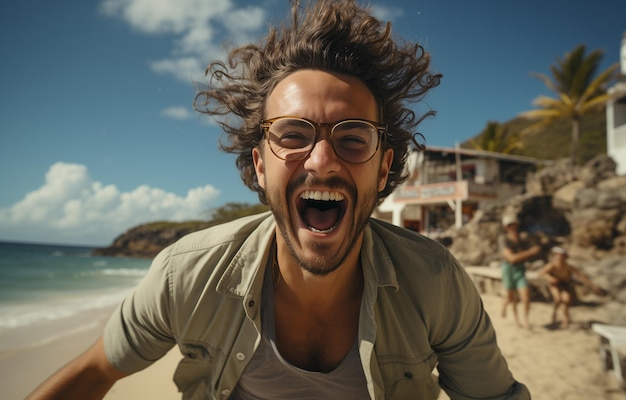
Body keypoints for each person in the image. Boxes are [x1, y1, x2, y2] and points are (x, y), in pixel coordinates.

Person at [28, 1, 530, 399]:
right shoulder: (187, 276)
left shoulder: (436, 284)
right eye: (292, 135)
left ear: (383, 168)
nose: (321, 161)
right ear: (261, 163)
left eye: (353, 137)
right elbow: (94, 372)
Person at [539, 246, 606, 329]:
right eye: (557, 256)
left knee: (566, 300)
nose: (559, 258)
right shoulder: (552, 265)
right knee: (558, 298)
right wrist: (550, 278)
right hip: (555, 285)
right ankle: (555, 313)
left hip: (564, 285)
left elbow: (581, 276)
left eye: (561, 256)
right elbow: (542, 273)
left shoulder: (568, 267)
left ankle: (565, 319)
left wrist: (593, 286)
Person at [499, 214, 541, 329]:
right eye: (510, 225)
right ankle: (516, 320)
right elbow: (511, 258)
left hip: (520, 268)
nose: (513, 227)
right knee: (511, 297)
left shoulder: (522, 238)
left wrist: (528, 253)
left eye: (514, 225)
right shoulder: (504, 239)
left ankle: (526, 319)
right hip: (509, 269)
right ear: (505, 227)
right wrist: (530, 252)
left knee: (526, 296)